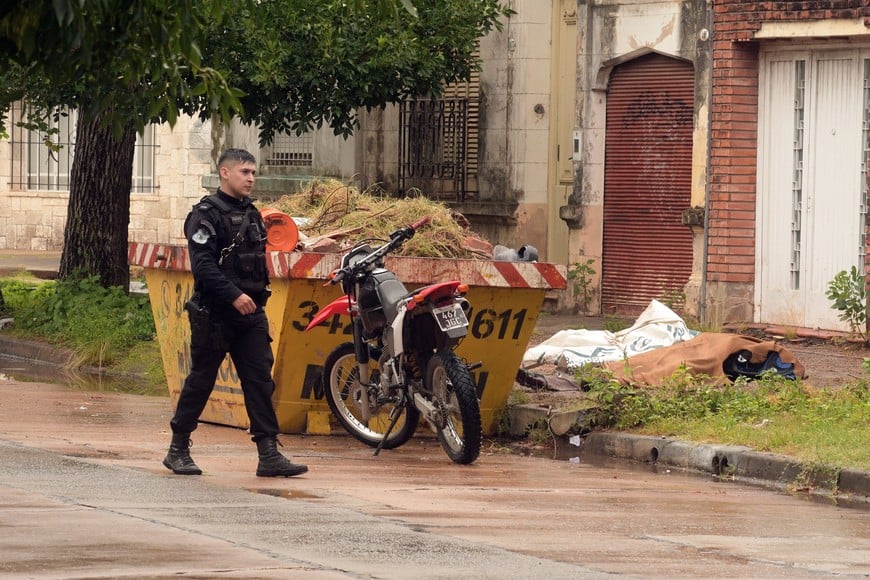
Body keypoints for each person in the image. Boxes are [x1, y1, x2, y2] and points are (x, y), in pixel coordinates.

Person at [163, 148, 308, 477]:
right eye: (244, 172)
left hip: (251, 314)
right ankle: (178, 448)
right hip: (216, 313)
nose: (251, 178)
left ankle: (268, 453)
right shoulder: (205, 214)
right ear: (225, 173)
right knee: (201, 380)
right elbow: (202, 266)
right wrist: (234, 296)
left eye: (253, 172)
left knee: (260, 381)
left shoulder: (254, 214)